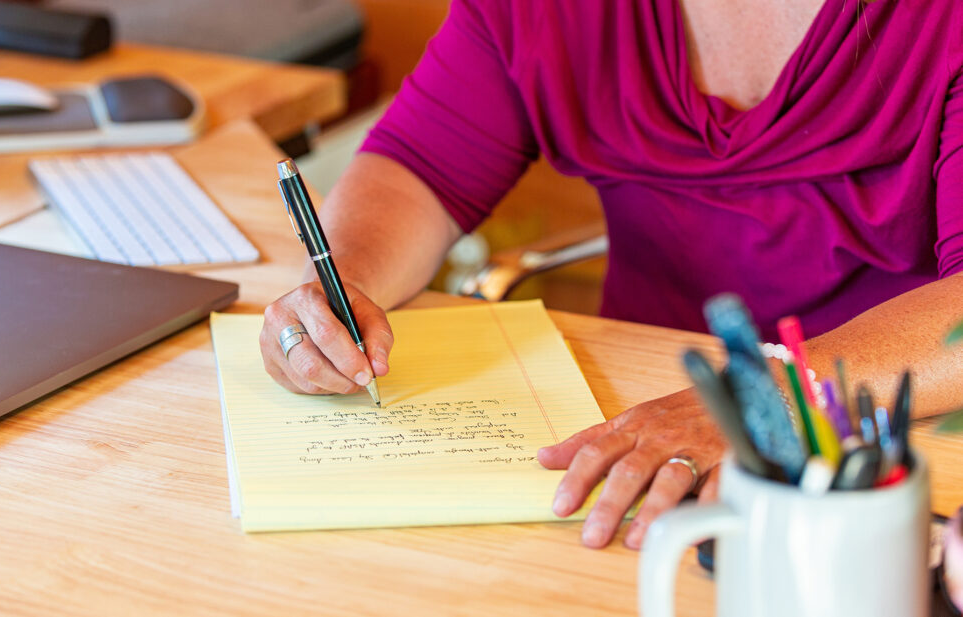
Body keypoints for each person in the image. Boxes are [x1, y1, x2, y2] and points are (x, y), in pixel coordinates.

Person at [259, 0, 963, 549]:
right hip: (631, 417)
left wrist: (767, 397)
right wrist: (344, 279)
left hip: (878, 442)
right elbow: (418, 167)